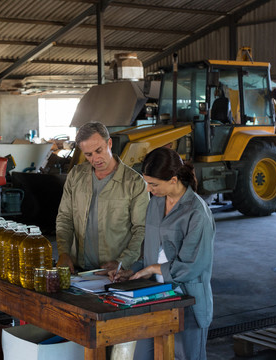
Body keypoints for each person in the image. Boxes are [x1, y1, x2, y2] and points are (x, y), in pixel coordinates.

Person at [110, 146, 215, 360]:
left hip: (188, 300)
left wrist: (152, 269)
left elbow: (192, 266)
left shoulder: (197, 213)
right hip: (154, 297)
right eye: (147, 183)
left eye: (154, 184)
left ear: (174, 180)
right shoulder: (156, 203)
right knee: (142, 357)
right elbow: (151, 254)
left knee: (187, 357)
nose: (149, 189)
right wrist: (133, 271)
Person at [55, 122, 149, 274]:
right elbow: (65, 218)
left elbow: (141, 229)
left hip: (115, 272)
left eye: (99, 150)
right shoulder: (76, 175)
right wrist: (64, 253)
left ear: (109, 143)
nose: (95, 159)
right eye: (88, 154)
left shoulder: (134, 182)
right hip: (79, 270)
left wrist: (123, 261)